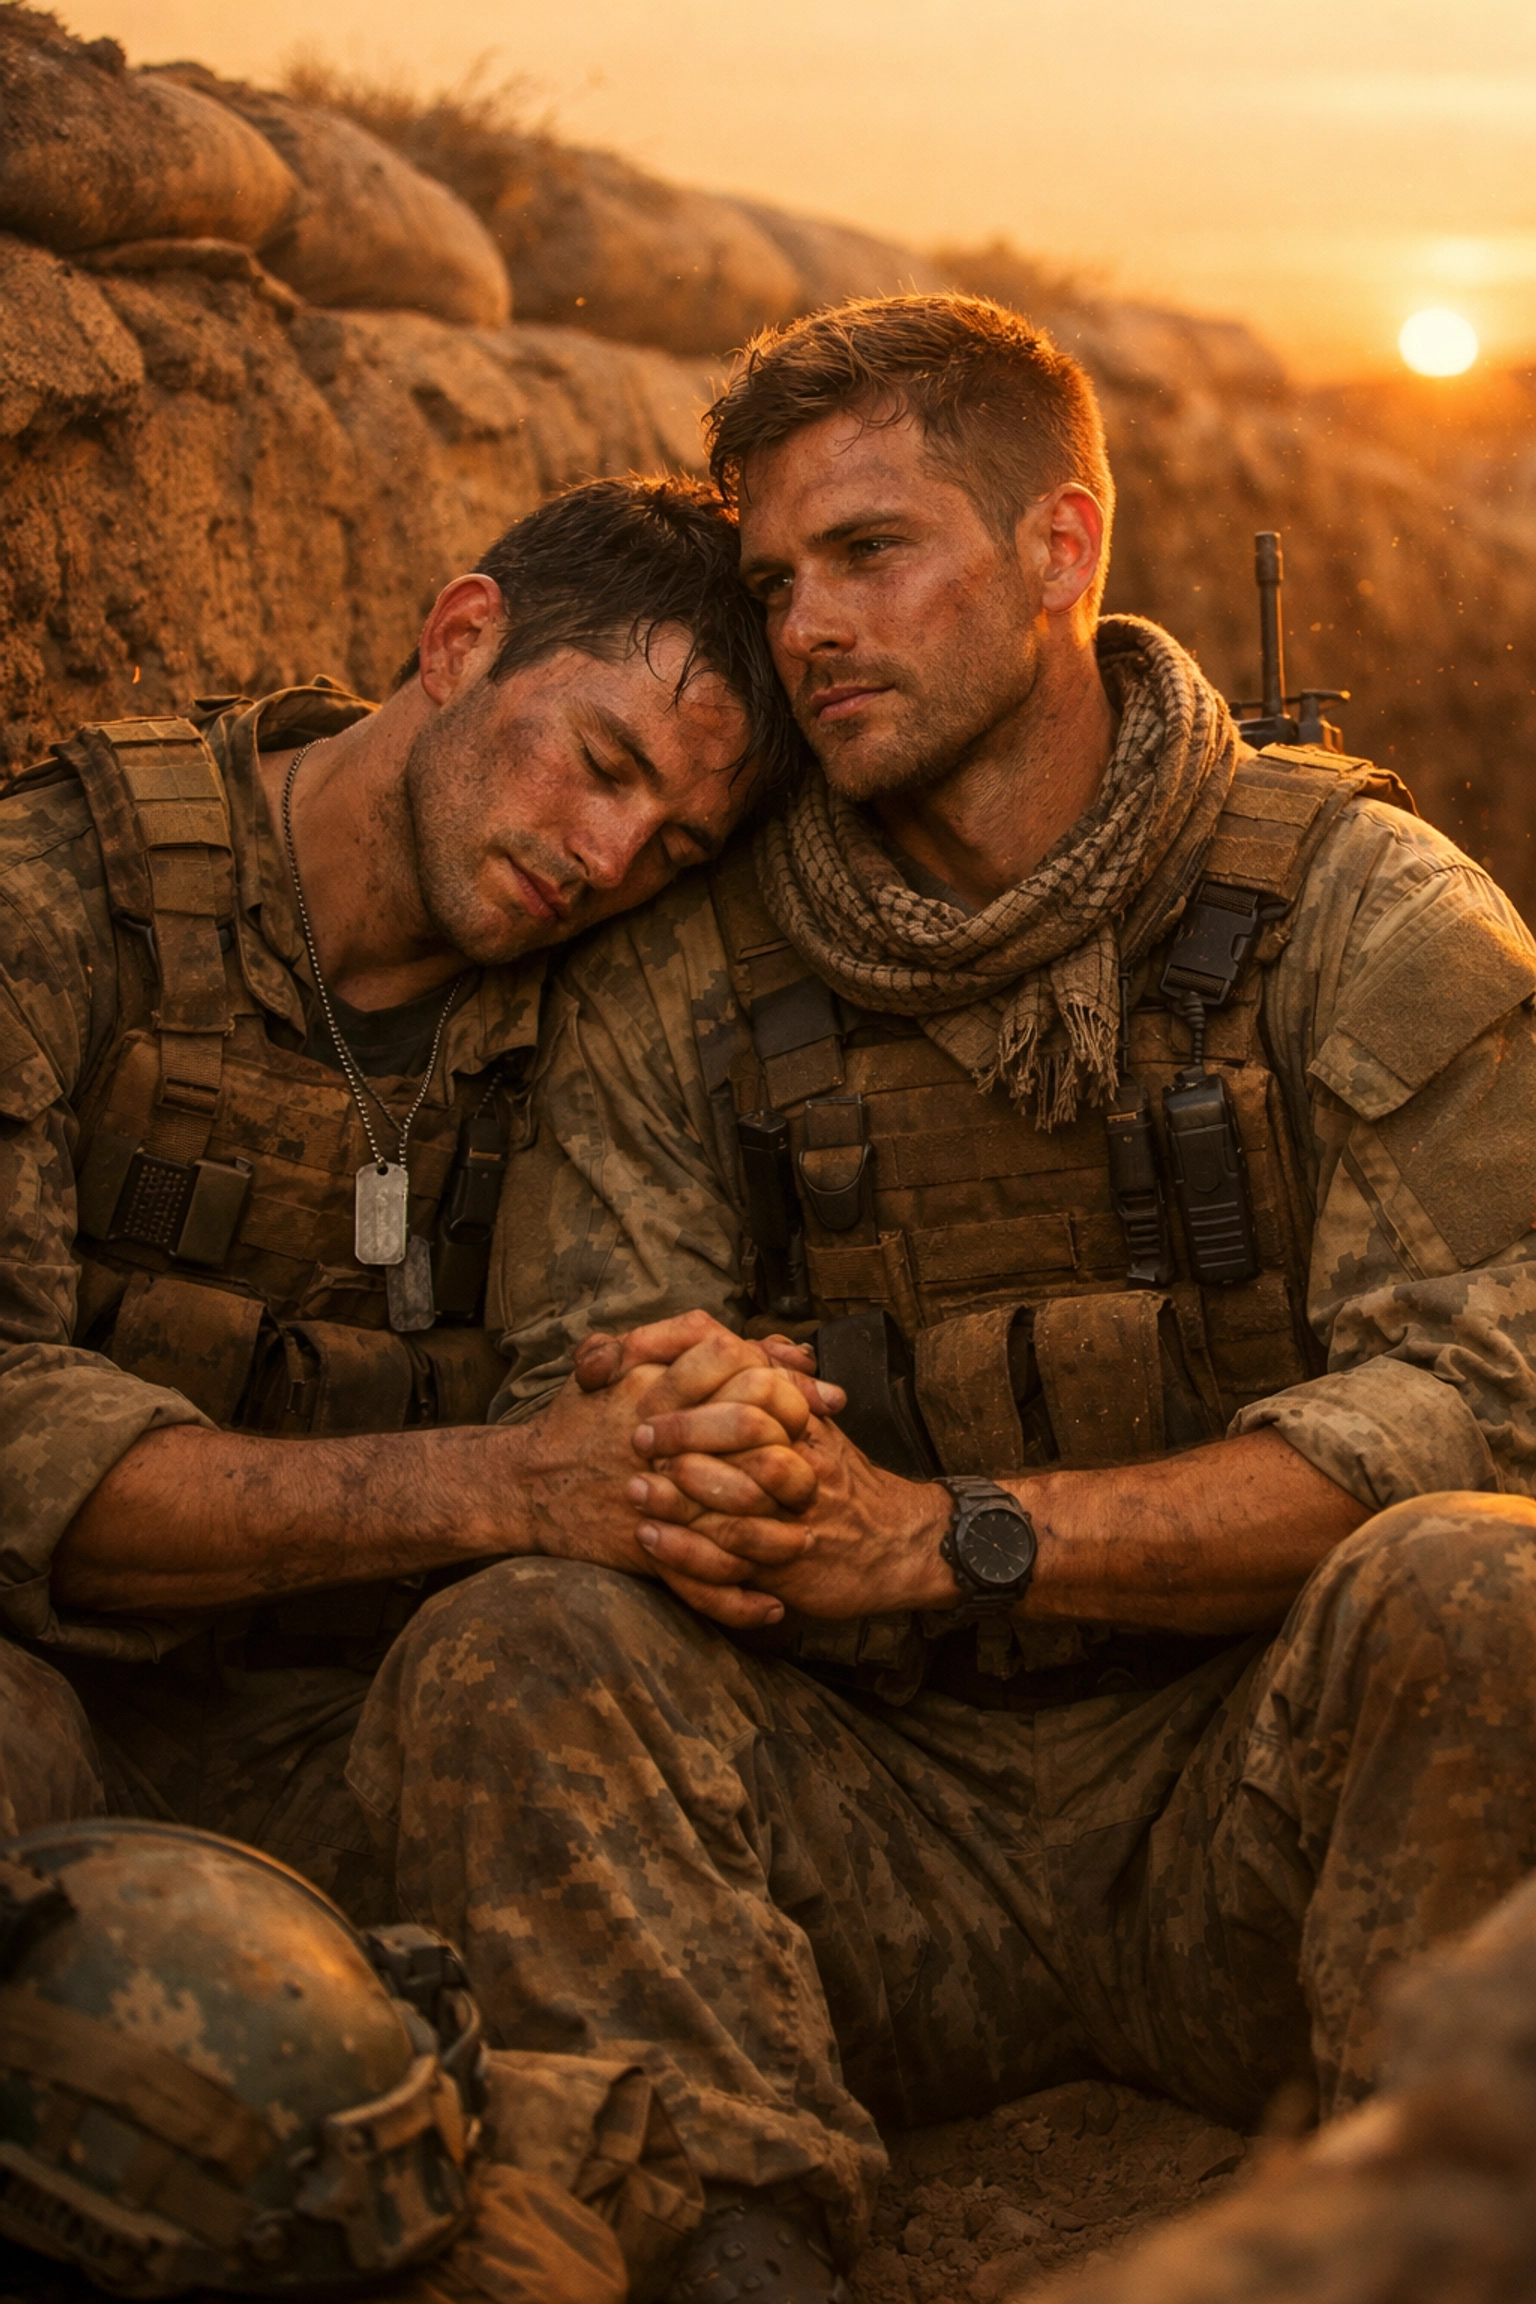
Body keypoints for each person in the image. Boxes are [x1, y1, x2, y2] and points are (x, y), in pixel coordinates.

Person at [343, 297, 1536, 2294]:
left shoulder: (1356, 908)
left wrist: (956, 1539)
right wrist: (708, 1434)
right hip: (865, 1842)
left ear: (1059, 551)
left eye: (872, 553)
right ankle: (733, 2247)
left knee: (1489, 1583)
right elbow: (591, 1377)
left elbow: (1493, 1395)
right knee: (510, 1643)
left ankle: (1404, 2226)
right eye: (775, 578)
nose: (806, 627)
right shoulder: (690, 967)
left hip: (1242, 1815)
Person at [0, 476, 826, 1923]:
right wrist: (508, 1483)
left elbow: (617, 1398)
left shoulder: (596, 1002)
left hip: (349, 1720)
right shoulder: (51, 903)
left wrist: (710, 1422)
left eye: (677, 846)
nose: (609, 858)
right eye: (599, 758)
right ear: (459, 639)